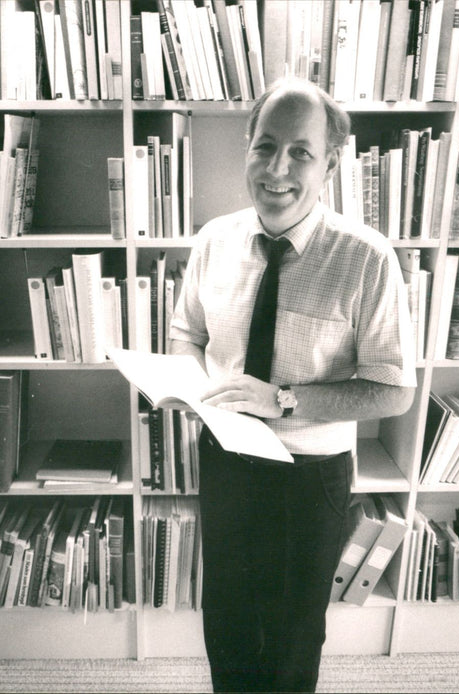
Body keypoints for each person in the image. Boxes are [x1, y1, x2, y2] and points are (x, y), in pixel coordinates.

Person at [168, 77, 418, 693]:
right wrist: (192, 387)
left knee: (292, 637)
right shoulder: (213, 240)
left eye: (300, 152)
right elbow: (186, 334)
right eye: (266, 146)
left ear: (329, 164)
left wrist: (282, 400)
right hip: (225, 459)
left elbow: (393, 389)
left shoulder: (367, 257)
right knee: (226, 622)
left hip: (309, 475)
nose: (278, 169)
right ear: (247, 148)